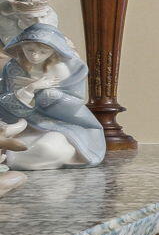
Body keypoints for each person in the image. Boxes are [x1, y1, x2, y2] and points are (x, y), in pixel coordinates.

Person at [0, 22, 105, 168]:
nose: (35, 56)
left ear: (53, 51)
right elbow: (5, 101)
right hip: (22, 123)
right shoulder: (13, 67)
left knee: (49, 148)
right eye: (29, 50)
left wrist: (46, 93)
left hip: (60, 124)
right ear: (21, 46)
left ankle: (9, 160)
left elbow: (74, 104)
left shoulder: (61, 69)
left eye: (43, 52)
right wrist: (31, 88)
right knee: (15, 143)